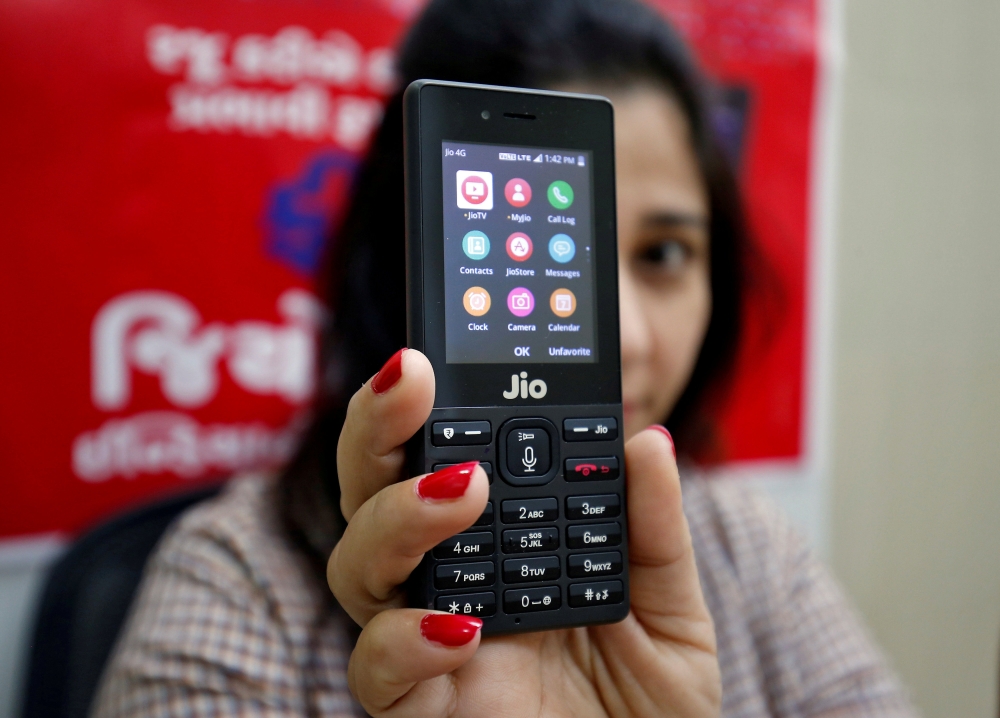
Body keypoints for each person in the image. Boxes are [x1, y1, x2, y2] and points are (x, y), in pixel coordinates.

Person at [92, 1, 917, 716]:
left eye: (664, 254)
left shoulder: (747, 548)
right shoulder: (235, 581)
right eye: (578, 266)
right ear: (403, 263)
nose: (623, 337)